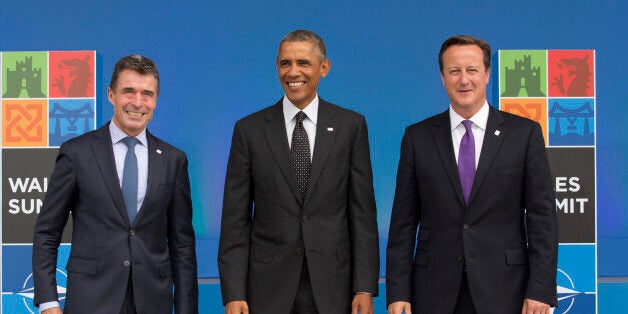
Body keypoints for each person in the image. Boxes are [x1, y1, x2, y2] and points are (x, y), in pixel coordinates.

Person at [386, 35, 558, 314]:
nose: (463, 80)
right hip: (434, 291)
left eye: (472, 70)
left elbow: (543, 219)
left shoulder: (523, 134)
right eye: (454, 71)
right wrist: (398, 293)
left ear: (487, 74)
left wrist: (540, 289)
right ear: (442, 77)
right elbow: (403, 224)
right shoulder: (418, 137)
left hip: (506, 290)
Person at [218, 29, 379, 314]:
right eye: (285, 63)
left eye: (303, 63)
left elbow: (362, 215)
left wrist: (364, 287)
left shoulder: (351, 126)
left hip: (334, 286)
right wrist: (233, 292)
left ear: (324, 68)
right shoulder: (249, 130)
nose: (293, 72)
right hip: (267, 288)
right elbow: (235, 221)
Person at [32, 55, 198, 314]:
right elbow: (47, 232)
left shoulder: (173, 160)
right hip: (91, 301)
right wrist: (48, 300)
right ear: (111, 95)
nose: (138, 102)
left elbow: (182, 244)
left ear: (155, 100)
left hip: (153, 302)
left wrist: (187, 308)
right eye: (128, 91)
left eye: (147, 94)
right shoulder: (77, 153)